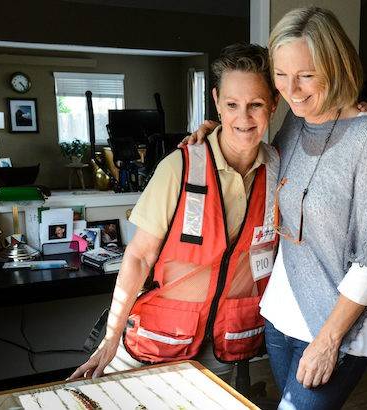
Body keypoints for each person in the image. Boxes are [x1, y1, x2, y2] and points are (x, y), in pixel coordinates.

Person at [184, 7, 367, 409]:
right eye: (282, 76)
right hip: (280, 315)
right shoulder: (294, 121)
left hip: (335, 327)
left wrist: (327, 341)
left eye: (306, 75)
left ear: (336, 66)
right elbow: (257, 149)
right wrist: (214, 132)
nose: (293, 90)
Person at [68, 43, 282, 380]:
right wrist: (111, 338)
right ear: (216, 102)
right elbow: (138, 257)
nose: (243, 118)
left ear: (274, 103)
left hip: (230, 346)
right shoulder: (179, 167)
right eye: (232, 104)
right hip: (156, 344)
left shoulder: (281, 172)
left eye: (255, 104)